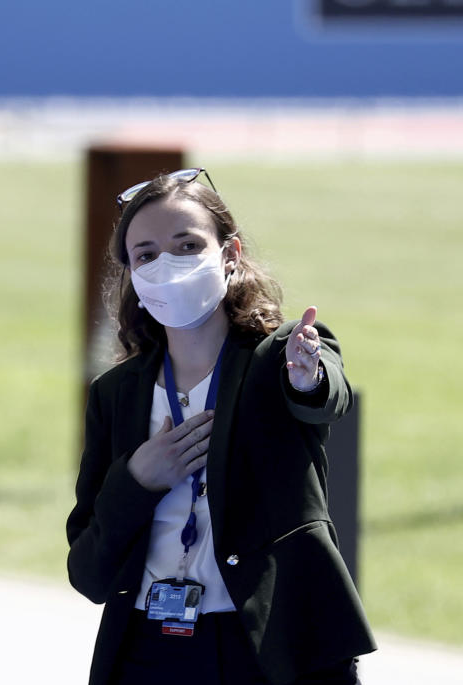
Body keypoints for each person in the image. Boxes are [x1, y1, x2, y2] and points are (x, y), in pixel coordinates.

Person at [66, 168, 375, 685]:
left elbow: (326, 399)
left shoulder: (280, 356)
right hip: (148, 652)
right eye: (146, 254)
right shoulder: (115, 393)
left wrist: (307, 376)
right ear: (133, 277)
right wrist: (137, 480)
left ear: (229, 255)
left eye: (187, 244)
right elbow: (89, 571)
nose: (167, 264)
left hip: (270, 648)